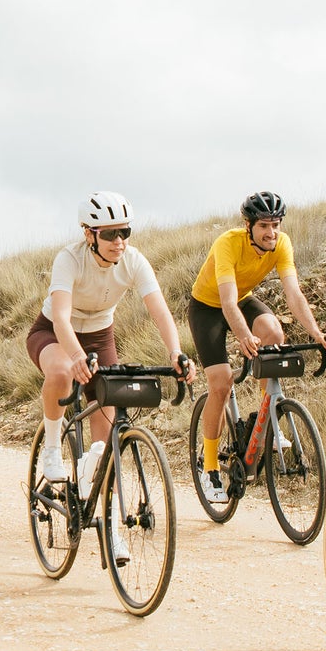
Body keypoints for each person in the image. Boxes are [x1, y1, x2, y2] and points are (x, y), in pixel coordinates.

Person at [27, 192, 194, 493]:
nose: (119, 242)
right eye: (110, 234)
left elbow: (160, 312)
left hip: (100, 337)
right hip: (54, 332)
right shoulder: (69, 259)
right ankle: (51, 449)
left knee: (105, 449)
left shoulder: (133, 261)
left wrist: (176, 352)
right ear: (89, 234)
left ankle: (100, 502)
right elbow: (61, 318)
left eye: (125, 232)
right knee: (62, 372)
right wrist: (76, 356)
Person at [187, 192, 326, 503]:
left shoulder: (281, 244)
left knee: (273, 332)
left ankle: (267, 419)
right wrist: (244, 335)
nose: (271, 232)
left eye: (276, 225)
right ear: (249, 226)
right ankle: (210, 466)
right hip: (207, 308)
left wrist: (316, 333)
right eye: (264, 226)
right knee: (221, 383)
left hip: (242, 299)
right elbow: (227, 303)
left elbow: (294, 294)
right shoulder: (228, 243)